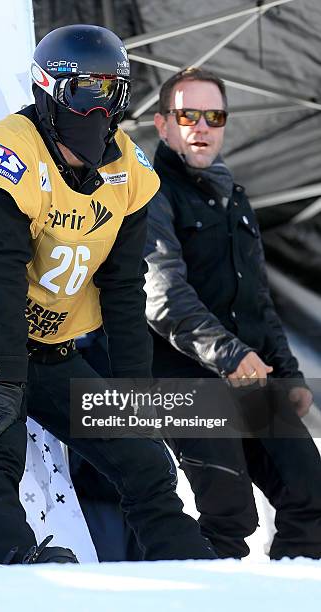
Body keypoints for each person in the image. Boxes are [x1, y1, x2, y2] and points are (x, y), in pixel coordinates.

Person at [0, 26, 216, 565]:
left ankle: (195, 568)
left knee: (144, 461)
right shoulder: (6, 153)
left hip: (50, 346)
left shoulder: (130, 173)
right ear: (49, 91)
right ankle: (8, 561)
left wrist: (135, 398)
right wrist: (4, 379)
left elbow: (123, 289)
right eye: (85, 89)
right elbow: (2, 271)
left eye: (113, 91)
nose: (99, 107)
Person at [145, 67, 321, 559]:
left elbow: (258, 299)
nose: (202, 126)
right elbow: (162, 295)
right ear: (162, 124)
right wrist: (230, 355)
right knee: (230, 514)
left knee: (312, 495)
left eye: (214, 116)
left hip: (249, 376)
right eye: (187, 115)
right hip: (184, 378)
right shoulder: (149, 192)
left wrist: (288, 375)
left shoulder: (234, 196)